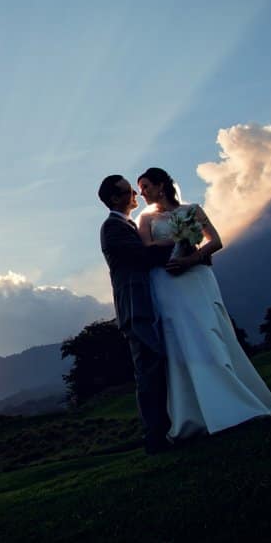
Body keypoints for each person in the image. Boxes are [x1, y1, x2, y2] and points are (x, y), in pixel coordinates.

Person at [135, 167, 271, 441]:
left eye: (145, 186)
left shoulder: (192, 210)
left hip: (197, 278)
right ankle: (195, 415)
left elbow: (216, 241)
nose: (142, 193)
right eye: (140, 189)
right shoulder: (145, 219)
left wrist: (191, 257)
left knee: (210, 333)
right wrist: (177, 241)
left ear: (161, 186)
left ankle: (235, 403)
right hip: (167, 284)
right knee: (182, 340)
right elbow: (148, 248)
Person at [97, 174, 186, 454]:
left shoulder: (127, 225)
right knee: (148, 371)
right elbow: (143, 257)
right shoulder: (112, 228)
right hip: (135, 309)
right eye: (129, 190)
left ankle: (169, 428)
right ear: (114, 198)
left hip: (149, 304)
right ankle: (155, 439)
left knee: (156, 366)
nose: (136, 193)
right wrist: (181, 238)